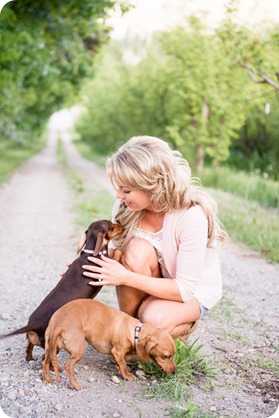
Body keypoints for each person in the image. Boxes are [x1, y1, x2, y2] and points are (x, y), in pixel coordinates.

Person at [82, 136, 227, 340]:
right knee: (135, 250)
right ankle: (129, 334)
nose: (118, 196)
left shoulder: (191, 216)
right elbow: (118, 257)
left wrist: (124, 276)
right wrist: (83, 268)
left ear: (151, 185)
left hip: (189, 291)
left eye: (126, 190)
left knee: (154, 319)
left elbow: (184, 289)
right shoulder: (126, 208)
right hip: (153, 279)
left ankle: (174, 324)